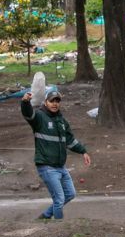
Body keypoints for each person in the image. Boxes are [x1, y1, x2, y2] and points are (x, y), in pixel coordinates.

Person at [21, 86, 91, 220]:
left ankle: (45, 216)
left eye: (57, 101)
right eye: (52, 101)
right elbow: (28, 114)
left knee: (70, 194)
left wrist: (83, 151)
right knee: (59, 199)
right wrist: (25, 102)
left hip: (60, 166)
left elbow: (70, 140)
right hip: (47, 167)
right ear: (45, 102)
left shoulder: (62, 121)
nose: (55, 104)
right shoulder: (39, 117)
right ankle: (58, 226)